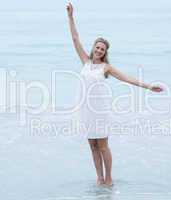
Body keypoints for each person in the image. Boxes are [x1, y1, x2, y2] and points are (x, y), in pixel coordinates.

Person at [66, 2, 163, 187]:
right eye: (97, 47)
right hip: (85, 110)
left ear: (105, 53)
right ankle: (99, 178)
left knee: (103, 146)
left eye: (102, 49)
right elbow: (75, 39)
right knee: (92, 146)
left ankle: (109, 178)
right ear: (93, 47)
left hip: (100, 111)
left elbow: (127, 78)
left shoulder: (106, 67)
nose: (99, 50)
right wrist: (71, 17)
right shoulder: (85, 61)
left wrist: (149, 86)